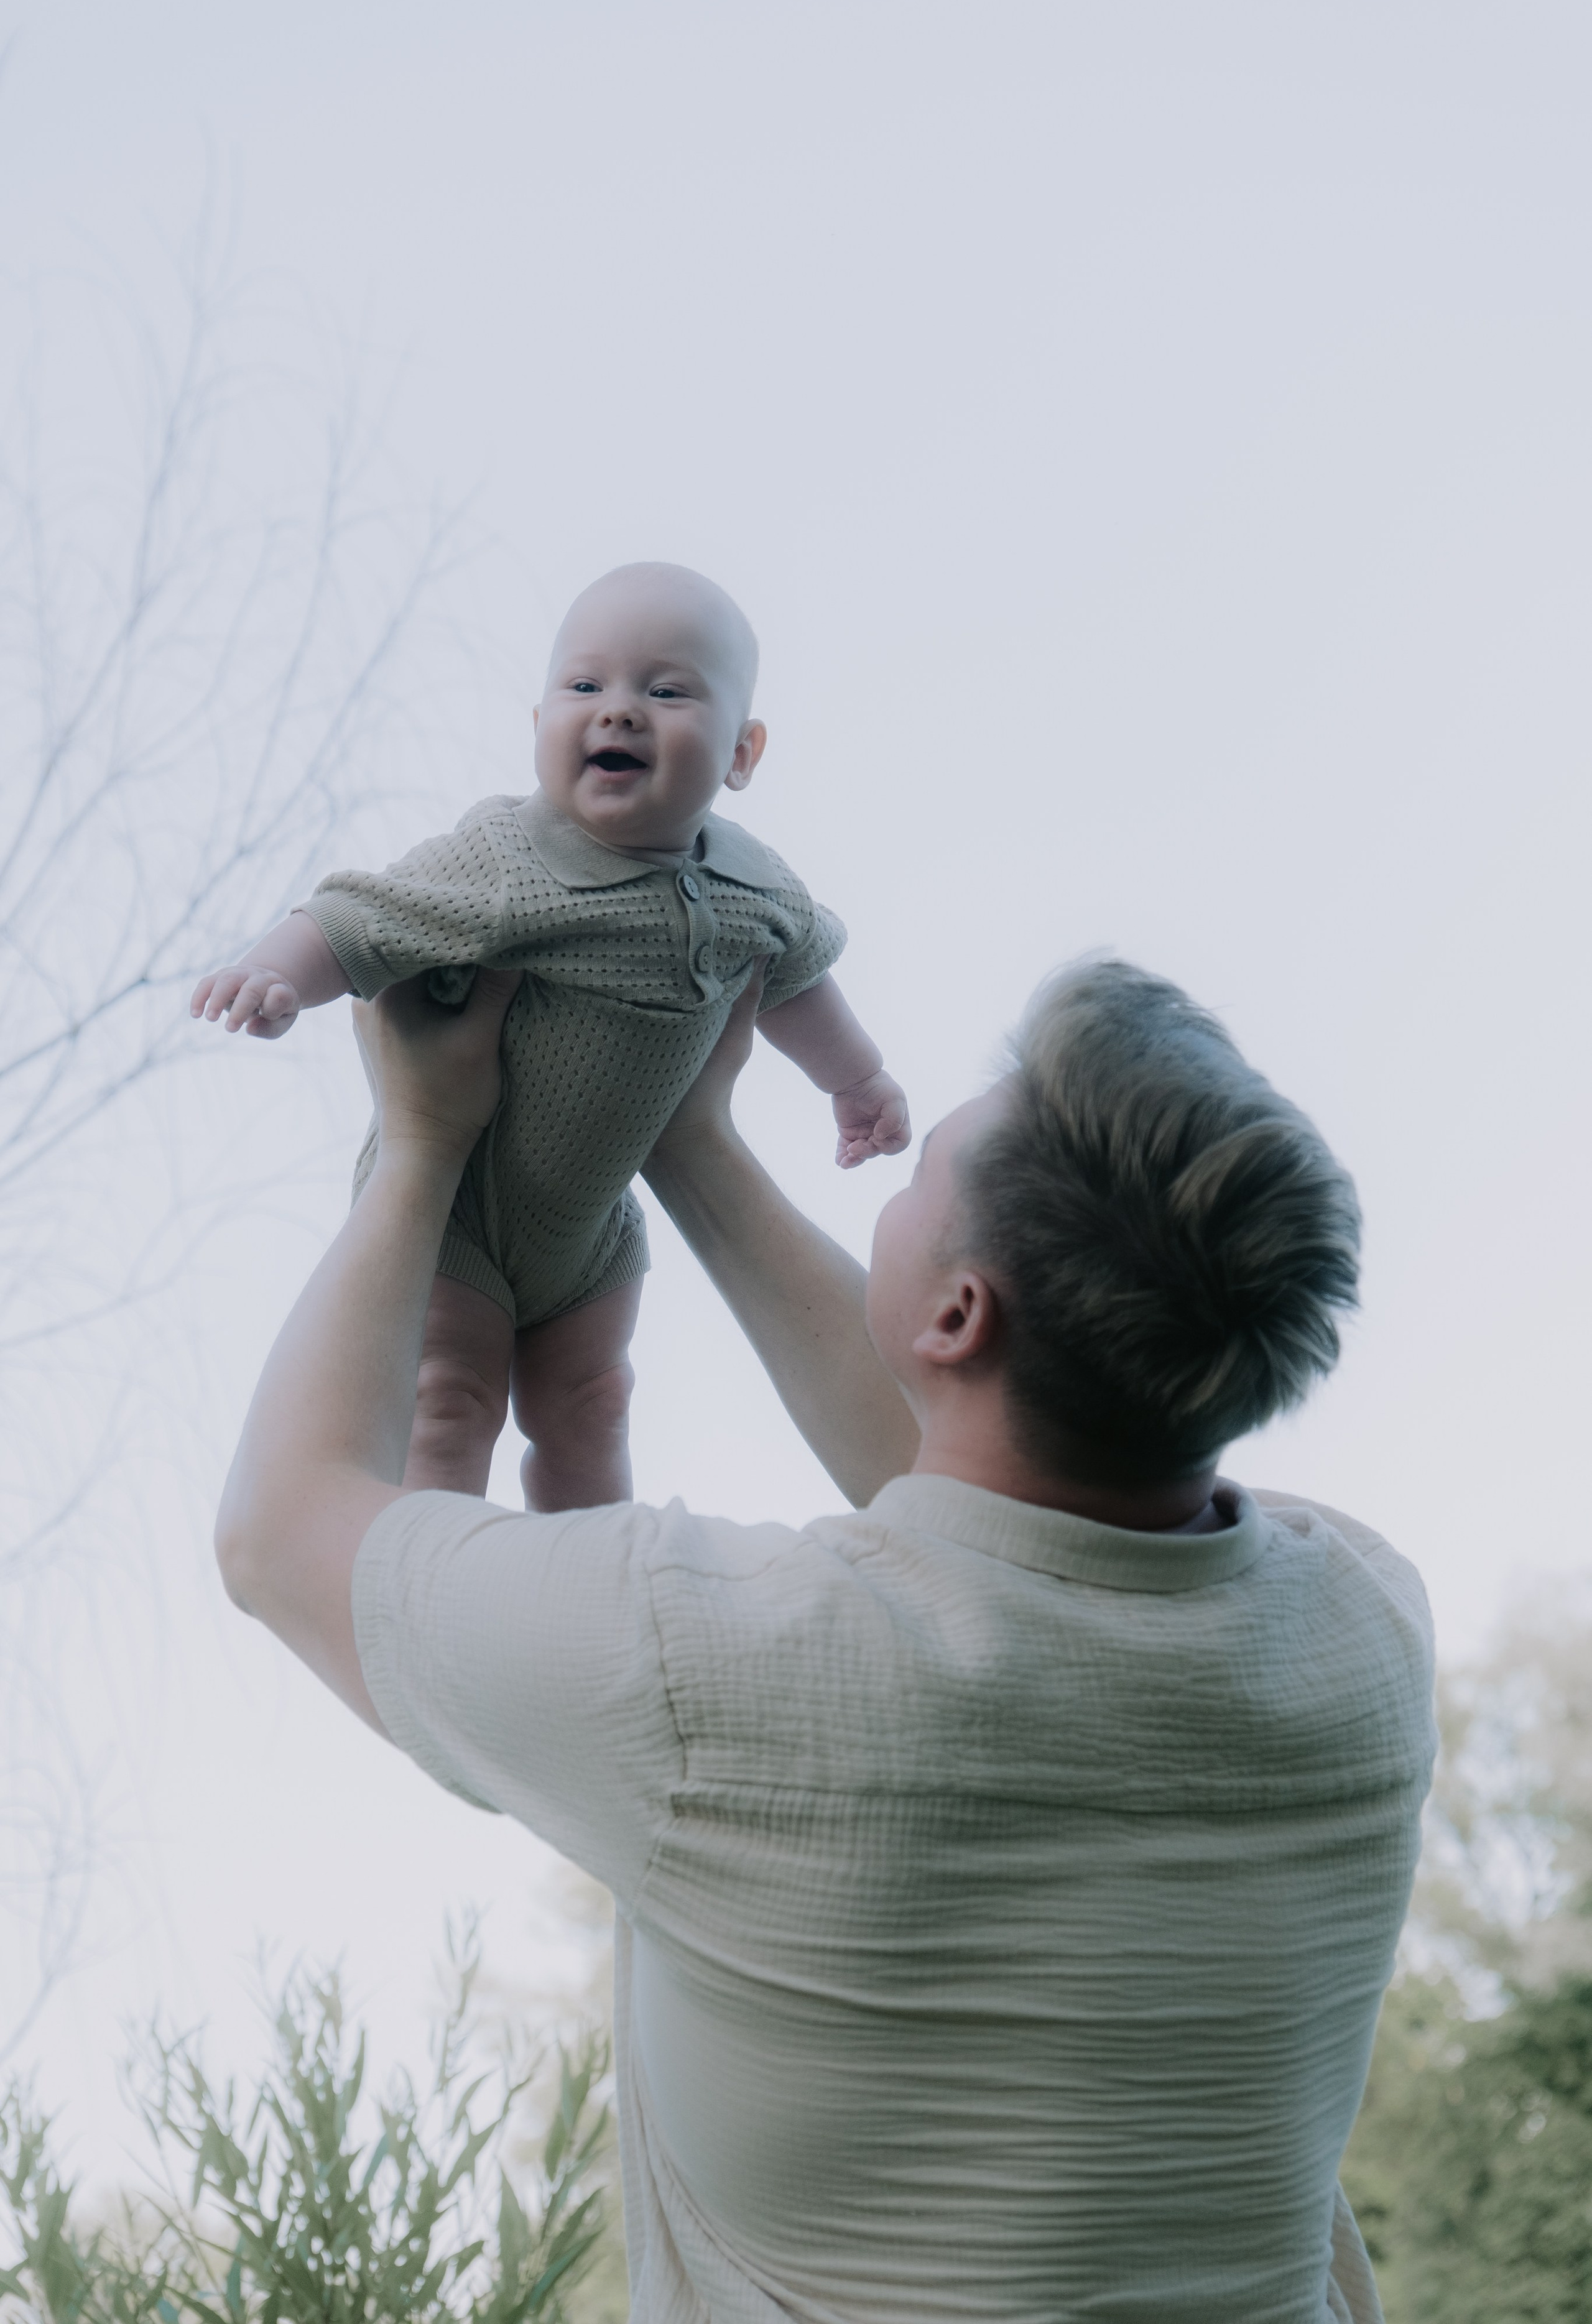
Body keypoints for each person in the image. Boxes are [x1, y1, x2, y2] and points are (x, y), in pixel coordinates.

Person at [214, 954, 1435, 2324]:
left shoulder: (710, 1672)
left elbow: (281, 1528)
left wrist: (421, 1149)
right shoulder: (1362, 1636)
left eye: (924, 1177)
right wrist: (689, 1141)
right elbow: (1010, 1504)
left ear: (961, 1310)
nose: (897, 1190)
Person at [190, 561, 909, 1508]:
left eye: (666, 690)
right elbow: (360, 914)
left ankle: (594, 1585)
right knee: (451, 1404)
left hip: (592, 1226)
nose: (618, 711)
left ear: (742, 752)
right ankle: (446, 1597)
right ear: (538, 733)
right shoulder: (507, 860)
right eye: (584, 687)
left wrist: (857, 1080)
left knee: (594, 1406)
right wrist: (278, 969)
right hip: (459, 1210)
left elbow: (798, 982)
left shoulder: (757, 889)